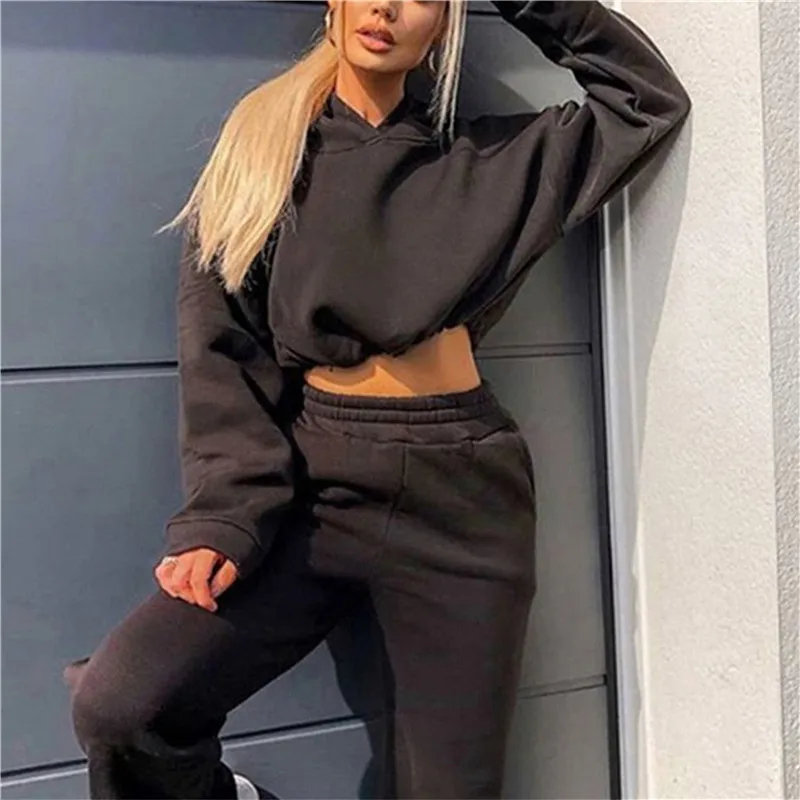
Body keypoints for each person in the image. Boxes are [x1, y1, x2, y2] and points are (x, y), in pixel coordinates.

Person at [62, 0, 692, 797]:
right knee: (124, 705)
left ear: (447, 21)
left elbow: (645, 101)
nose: (387, 7)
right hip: (315, 486)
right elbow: (221, 349)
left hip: (465, 496)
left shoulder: (490, 162)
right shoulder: (261, 156)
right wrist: (224, 516)